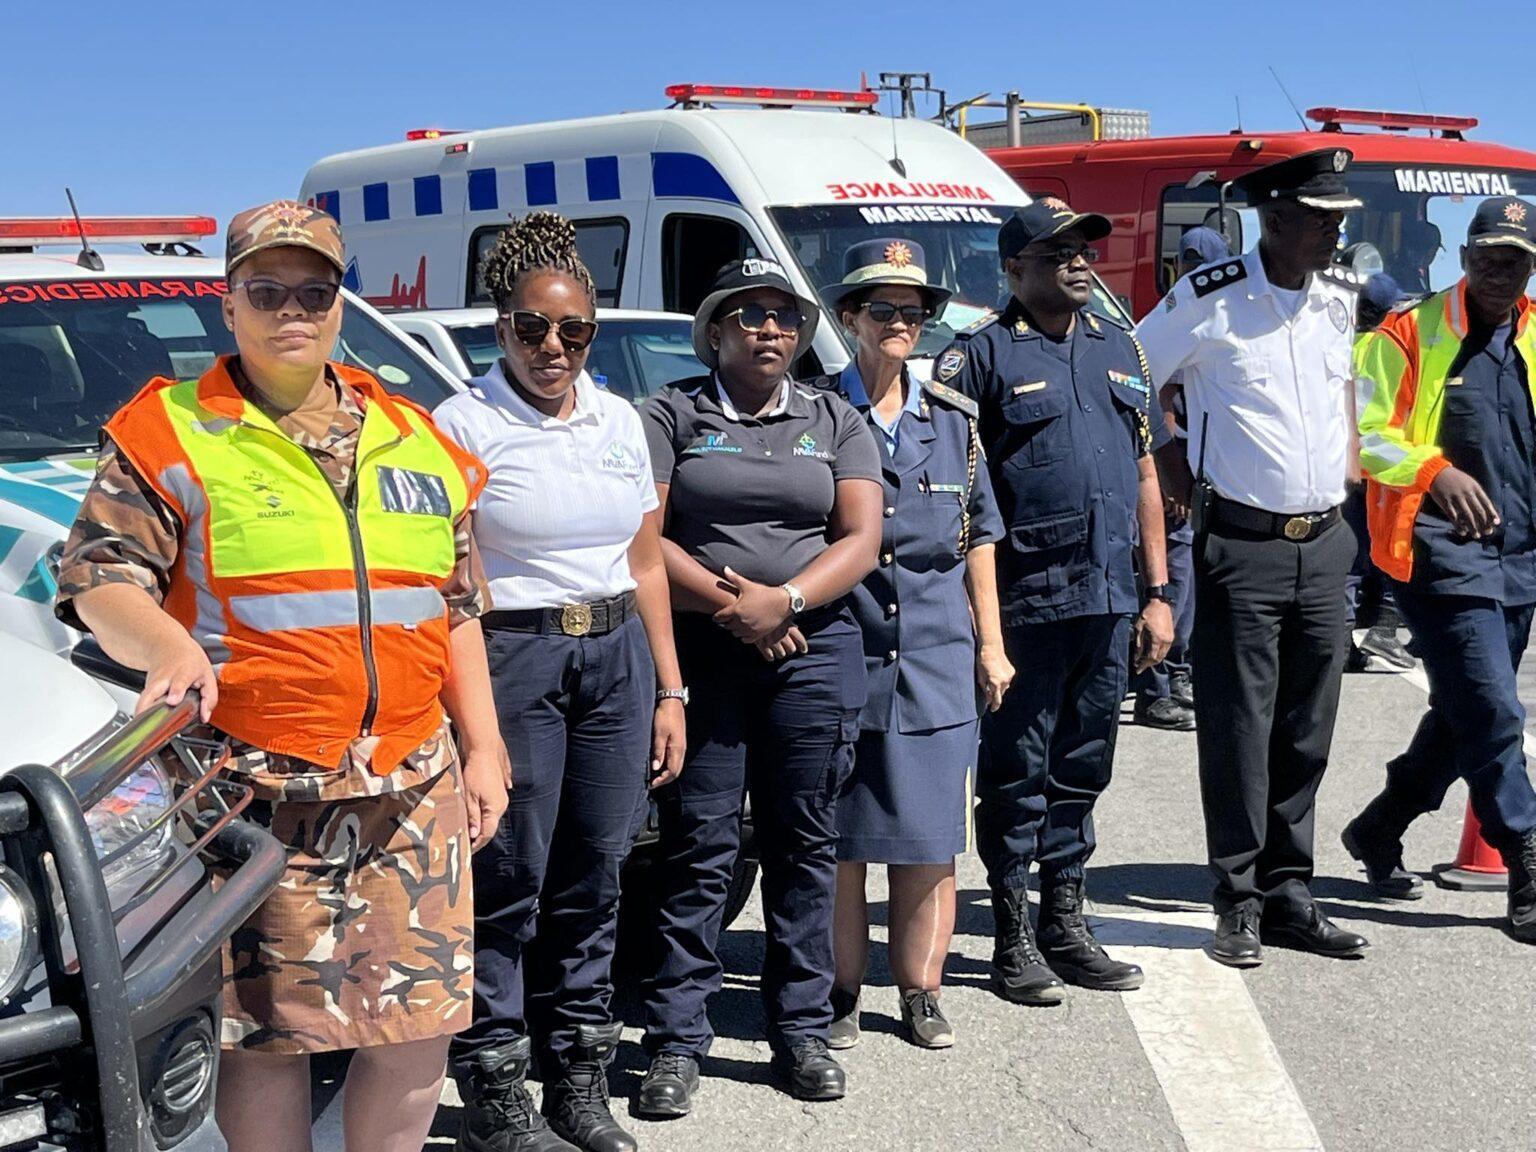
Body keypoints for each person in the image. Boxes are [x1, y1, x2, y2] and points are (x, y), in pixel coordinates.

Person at [53, 200, 509, 1152]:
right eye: (267, 290)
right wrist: (166, 645)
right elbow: (98, 580)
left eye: (314, 290)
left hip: (412, 785)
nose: (291, 309)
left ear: (342, 302)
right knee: (268, 1040)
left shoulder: (415, 435)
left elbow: (455, 607)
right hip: (254, 791)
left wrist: (486, 746)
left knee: (418, 1029)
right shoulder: (168, 433)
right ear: (230, 304)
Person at [434, 212, 686, 1152]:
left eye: (573, 330)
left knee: (597, 869)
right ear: (501, 330)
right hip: (516, 659)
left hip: (616, 655)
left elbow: (647, 560)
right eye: (533, 329)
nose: (553, 347)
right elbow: (449, 580)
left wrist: (671, 689)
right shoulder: (461, 426)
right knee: (510, 874)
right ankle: (496, 1087)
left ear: (593, 331)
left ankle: (578, 1080)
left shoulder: (620, 418)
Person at [636, 258, 881, 1110]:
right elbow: (647, 535)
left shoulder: (835, 417)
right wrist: (735, 606)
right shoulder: (671, 412)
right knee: (700, 847)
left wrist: (786, 601)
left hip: (813, 646)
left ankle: (802, 1031)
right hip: (706, 651)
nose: (769, 329)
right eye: (748, 315)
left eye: (784, 316)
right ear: (714, 330)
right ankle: (675, 1041)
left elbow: (860, 539)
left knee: (802, 845)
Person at [1136, 150, 1372, 968]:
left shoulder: (1340, 301)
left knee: (1308, 728)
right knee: (1241, 727)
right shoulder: (1209, 301)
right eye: (1320, 216)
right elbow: (1132, 375)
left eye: (1339, 216)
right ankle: (1237, 897)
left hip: (1326, 541)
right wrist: (1165, 459)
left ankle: (1289, 891)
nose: (1334, 229)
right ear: (1273, 216)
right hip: (1243, 541)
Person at [938, 198, 1173, 1007]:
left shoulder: (1120, 347)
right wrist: (985, 632)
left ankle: (1065, 921)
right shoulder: (980, 359)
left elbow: (1145, 475)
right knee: (1016, 774)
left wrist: (1160, 593)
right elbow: (963, 501)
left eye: (1083, 248)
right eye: (1056, 251)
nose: (1078, 261)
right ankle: (1011, 935)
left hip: (1109, 602)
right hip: (1028, 603)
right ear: (1013, 270)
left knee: (1083, 766)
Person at [812, 240, 1008, 1051]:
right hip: (841, 655)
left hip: (933, 659)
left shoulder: (953, 423)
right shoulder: (816, 412)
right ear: (849, 317)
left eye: (914, 311)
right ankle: (840, 991)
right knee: (840, 850)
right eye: (883, 309)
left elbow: (979, 539)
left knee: (929, 843)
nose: (902, 324)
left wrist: (990, 647)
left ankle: (921, 991)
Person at [1345, 197, 1536, 939]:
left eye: (1514, 258)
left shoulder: (1530, 330)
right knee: (1492, 708)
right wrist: (1434, 472)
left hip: (1520, 554)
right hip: (1437, 554)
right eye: (1487, 254)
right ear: (1464, 256)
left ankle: (1379, 825)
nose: (1498, 270)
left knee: (1465, 710)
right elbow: (1367, 435)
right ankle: (1525, 856)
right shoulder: (1406, 331)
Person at [1133, 226, 1231, 731]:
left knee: (1184, 580)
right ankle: (1156, 688)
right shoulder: (1177, 316)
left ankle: (1176, 673)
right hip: (1174, 471)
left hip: (1194, 471)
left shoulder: (1209, 309)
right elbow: (1160, 402)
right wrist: (1172, 477)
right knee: (1167, 581)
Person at [1344, 273, 1416, 674]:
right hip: (1380, 466)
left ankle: (1345, 643)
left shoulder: (1344, 345)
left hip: (1348, 467)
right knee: (1392, 548)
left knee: (1353, 561)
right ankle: (1383, 630)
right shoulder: (1384, 347)